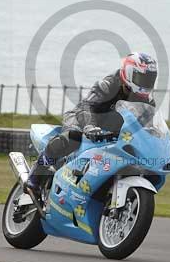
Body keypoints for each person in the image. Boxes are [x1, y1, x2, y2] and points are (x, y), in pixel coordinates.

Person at [25, 52, 158, 200]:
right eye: (142, 78)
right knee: (73, 137)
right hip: (82, 118)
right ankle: (35, 176)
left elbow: (144, 128)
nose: (146, 83)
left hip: (113, 132)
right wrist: (89, 126)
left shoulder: (148, 103)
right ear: (128, 72)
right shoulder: (109, 84)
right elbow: (87, 106)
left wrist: (154, 136)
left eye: (149, 79)